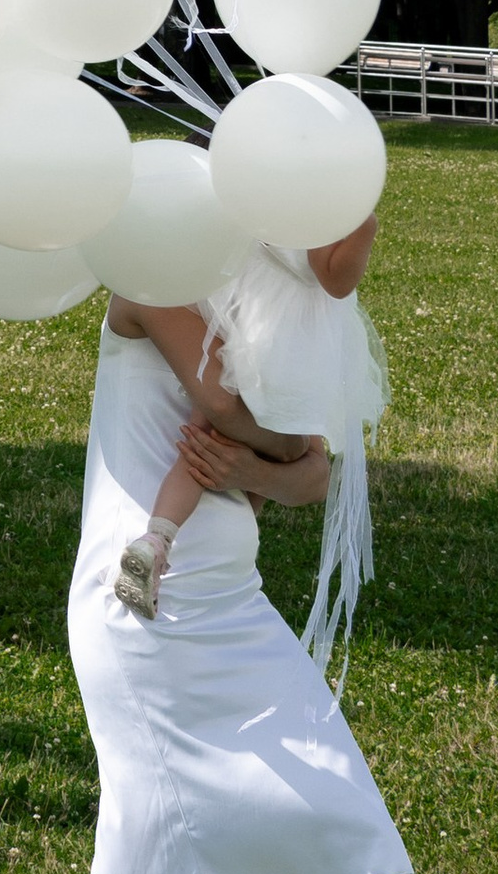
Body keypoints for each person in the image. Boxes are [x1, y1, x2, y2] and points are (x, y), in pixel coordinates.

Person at [70, 211, 411, 874]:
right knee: (144, 807)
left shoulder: (267, 306)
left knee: (328, 791)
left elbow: (316, 476)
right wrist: (281, 445)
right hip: (141, 593)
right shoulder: (148, 269)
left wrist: (265, 466)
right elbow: (222, 402)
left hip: (228, 595)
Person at [111, 227, 387, 630]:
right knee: (215, 436)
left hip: (248, 314)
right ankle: (181, 540)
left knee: (204, 440)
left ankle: (159, 538)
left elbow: (315, 477)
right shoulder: (317, 212)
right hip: (273, 330)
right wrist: (362, 230)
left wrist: (256, 471)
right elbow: (336, 279)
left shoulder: (276, 205)